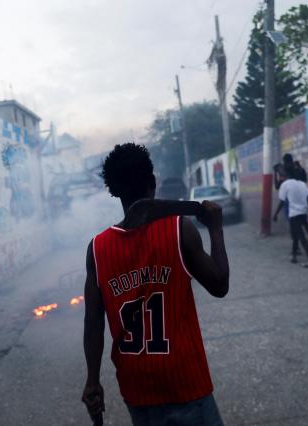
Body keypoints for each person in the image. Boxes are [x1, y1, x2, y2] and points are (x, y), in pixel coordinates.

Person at [82, 143, 229, 426]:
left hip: (136, 387)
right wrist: (215, 228)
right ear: (153, 183)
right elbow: (220, 285)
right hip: (185, 382)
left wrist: (92, 380)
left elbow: (92, 323)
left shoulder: (98, 248)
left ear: (112, 190)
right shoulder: (178, 229)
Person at [273, 167, 308, 267]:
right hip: (303, 212)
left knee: (301, 236)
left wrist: (275, 214)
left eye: (280, 176)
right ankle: (294, 255)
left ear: (282, 176)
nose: (280, 178)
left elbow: (282, 201)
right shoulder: (301, 184)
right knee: (295, 235)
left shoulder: (284, 185)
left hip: (294, 215)